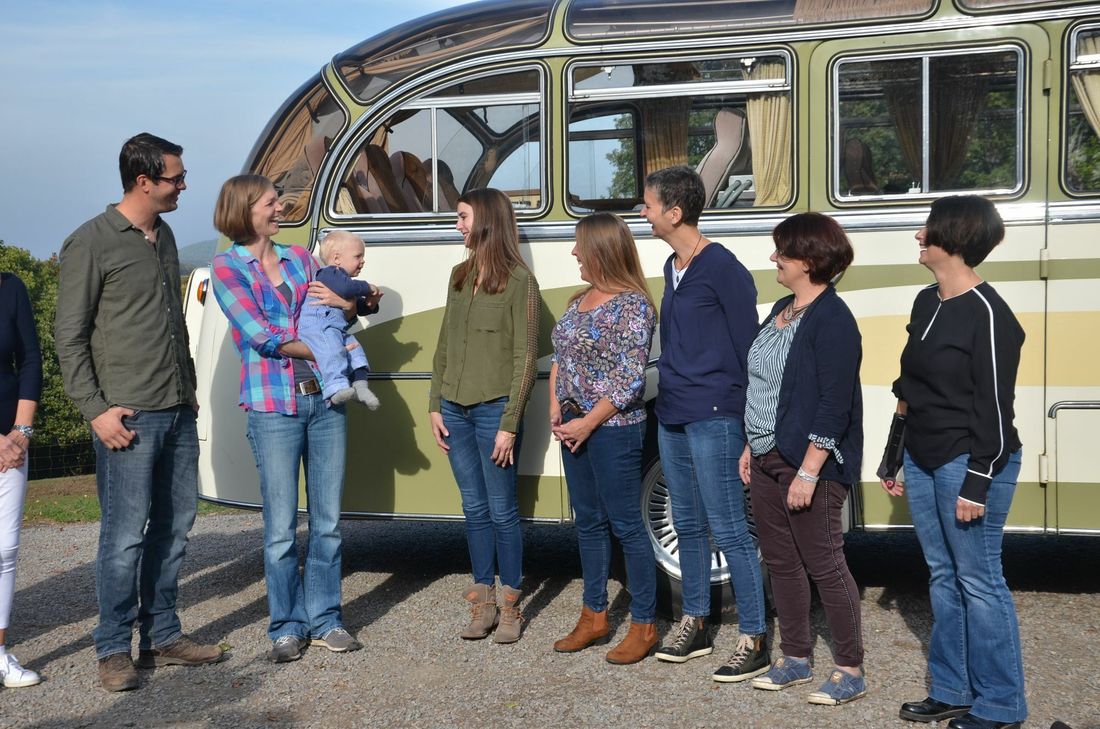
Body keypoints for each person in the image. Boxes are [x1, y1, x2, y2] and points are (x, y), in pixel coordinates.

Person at [55, 133, 225, 692]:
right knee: (124, 536)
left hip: (176, 407)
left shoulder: (166, 234)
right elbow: (70, 337)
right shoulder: (91, 242)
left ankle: (162, 636)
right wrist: (96, 411)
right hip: (126, 417)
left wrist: (191, 387)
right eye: (175, 178)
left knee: (175, 528)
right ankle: (111, 648)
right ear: (143, 181)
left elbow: (172, 323)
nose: (184, 185)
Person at [211, 175, 376, 663]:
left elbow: (338, 312)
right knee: (281, 528)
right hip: (272, 406)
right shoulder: (226, 267)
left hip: (324, 402)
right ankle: (285, 625)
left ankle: (326, 619)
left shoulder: (302, 258)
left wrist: (349, 305)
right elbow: (262, 335)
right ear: (246, 210)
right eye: (270, 202)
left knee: (327, 523)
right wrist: (326, 343)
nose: (279, 207)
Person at [880, 195, 1027, 729]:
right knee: (943, 576)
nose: (919, 237)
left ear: (953, 238)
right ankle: (952, 689)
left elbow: (993, 407)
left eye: (927, 230)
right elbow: (908, 384)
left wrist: (977, 483)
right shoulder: (926, 300)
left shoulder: (990, 315)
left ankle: (1001, 705)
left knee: (979, 581)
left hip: (970, 460)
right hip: (922, 456)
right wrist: (893, 453)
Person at [640, 165, 769, 681]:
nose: (642, 214)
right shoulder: (674, 265)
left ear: (674, 212)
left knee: (730, 529)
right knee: (688, 523)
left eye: (647, 206)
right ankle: (695, 621)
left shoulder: (724, 268)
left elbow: (750, 350)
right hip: (673, 412)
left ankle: (754, 637)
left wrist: (752, 431)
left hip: (717, 415)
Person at [741, 213, 866, 705]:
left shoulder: (834, 320)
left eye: (783, 252)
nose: (775, 258)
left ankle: (850, 668)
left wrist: (810, 471)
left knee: (824, 563)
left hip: (809, 463)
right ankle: (794, 658)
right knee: (781, 561)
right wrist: (750, 446)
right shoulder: (781, 308)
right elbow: (762, 384)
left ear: (810, 260)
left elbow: (834, 404)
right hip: (769, 456)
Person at [428, 188, 539, 644]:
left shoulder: (520, 282)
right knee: (472, 509)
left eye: (463, 217)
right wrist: (435, 403)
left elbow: (527, 357)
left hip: (495, 411)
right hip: (455, 408)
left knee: (502, 510)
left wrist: (510, 424)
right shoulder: (458, 275)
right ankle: (484, 601)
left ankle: (511, 606)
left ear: (487, 221)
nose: (458, 225)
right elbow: (444, 345)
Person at [549, 213, 658, 665]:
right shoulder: (579, 301)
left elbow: (629, 381)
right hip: (574, 427)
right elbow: (561, 356)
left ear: (601, 249)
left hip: (611, 430)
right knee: (588, 523)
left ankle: (645, 624)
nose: (574, 252)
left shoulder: (633, 306)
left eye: (579, 245)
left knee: (627, 525)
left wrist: (587, 422)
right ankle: (594, 615)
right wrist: (556, 406)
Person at [0, 272, 42, 688]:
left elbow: (30, 358)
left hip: (13, 443)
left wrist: (20, 432)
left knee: (5, 548)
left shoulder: (10, 287)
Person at [298, 230, 382, 408]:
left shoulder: (342, 281)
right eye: (358, 256)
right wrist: (368, 287)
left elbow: (355, 306)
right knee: (333, 352)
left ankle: (360, 386)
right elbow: (346, 289)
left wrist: (370, 304)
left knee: (356, 350)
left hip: (333, 327)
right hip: (318, 326)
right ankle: (335, 390)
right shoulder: (329, 274)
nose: (362, 261)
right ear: (337, 258)